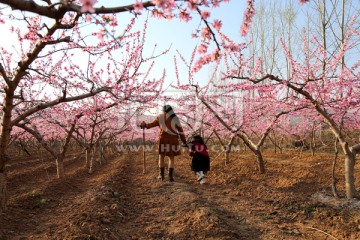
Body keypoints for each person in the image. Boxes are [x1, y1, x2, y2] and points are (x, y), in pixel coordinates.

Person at [140, 105, 187, 182]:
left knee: (161, 157)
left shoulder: (160, 116)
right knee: (171, 158)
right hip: (173, 140)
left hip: (163, 139)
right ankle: (171, 176)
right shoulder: (175, 117)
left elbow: (152, 124)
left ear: (163, 110)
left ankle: (161, 176)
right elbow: (181, 131)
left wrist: (145, 125)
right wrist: (184, 141)